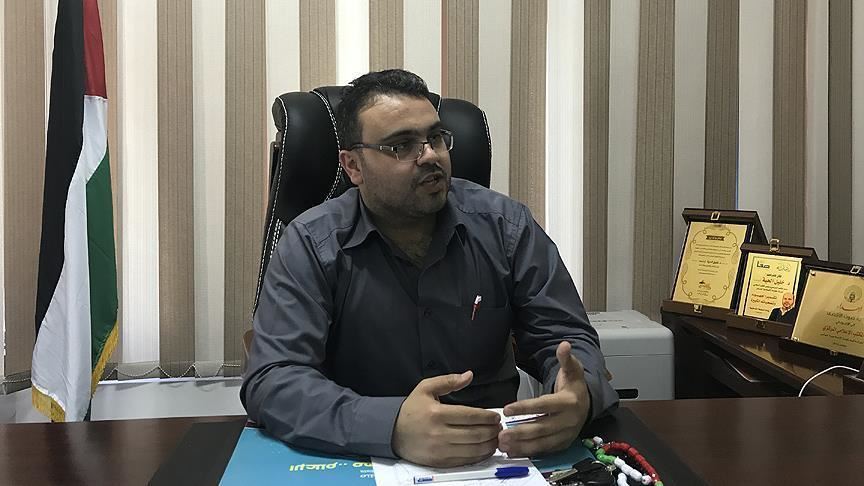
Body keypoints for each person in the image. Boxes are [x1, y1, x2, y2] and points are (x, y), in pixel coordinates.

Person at [241, 69, 618, 467]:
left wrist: (579, 394)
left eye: (436, 138)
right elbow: (274, 379)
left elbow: (564, 336)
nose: (431, 156)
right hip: (363, 457)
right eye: (401, 145)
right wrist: (390, 426)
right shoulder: (311, 243)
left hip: (495, 457)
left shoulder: (506, 227)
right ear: (353, 166)